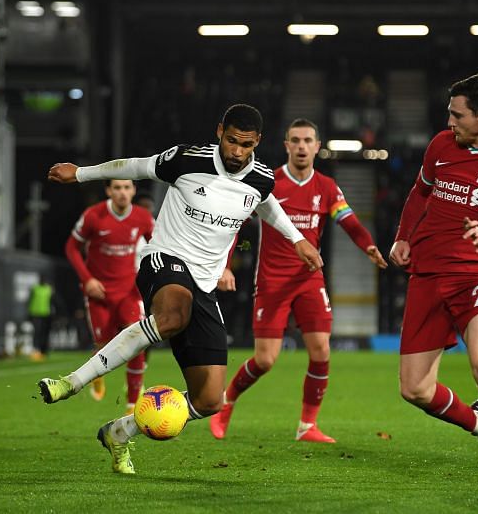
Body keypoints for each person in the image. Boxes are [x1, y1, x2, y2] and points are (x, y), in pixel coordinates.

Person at [38, 103, 323, 474]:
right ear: (219, 131)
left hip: (204, 285)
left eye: (247, 145)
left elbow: (266, 204)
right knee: (172, 315)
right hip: (164, 259)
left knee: (209, 400)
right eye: (232, 141)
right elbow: (136, 166)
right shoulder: (187, 159)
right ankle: (73, 382)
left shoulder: (262, 178)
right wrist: (80, 174)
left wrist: (297, 239)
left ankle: (120, 432)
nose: (237, 152)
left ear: (258, 143)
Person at [389, 74, 478, 495]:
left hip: (476, 276)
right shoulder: (441, 145)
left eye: (457, 114)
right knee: (415, 389)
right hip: (427, 276)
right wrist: (403, 236)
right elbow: (420, 193)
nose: (449, 121)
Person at [209, 118, 388, 443]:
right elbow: (234, 223)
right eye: (296, 140)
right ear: (287, 145)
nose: (302, 146)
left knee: (321, 351)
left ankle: (307, 426)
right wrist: (225, 265)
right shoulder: (269, 182)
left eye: (308, 140)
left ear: (317, 146)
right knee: (265, 360)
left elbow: (349, 222)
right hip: (272, 281)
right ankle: (227, 401)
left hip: (309, 279)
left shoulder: (327, 187)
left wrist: (368, 246)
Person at [65, 179, 154, 411]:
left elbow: (159, 245)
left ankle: (133, 402)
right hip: (99, 293)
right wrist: (88, 280)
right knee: (103, 344)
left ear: (133, 190)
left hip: (129, 292)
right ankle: (97, 374)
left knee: (137, 341)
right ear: (108, 191)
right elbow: (72, 248)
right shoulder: (94, 216)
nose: (122, 193)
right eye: (117, 188)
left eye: (127, 187)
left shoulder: (143, 217)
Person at [27, 275, 54, 361]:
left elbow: (52, 301)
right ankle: (36, 351)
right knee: (37, 332)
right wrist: (29, 312)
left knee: (44, 333)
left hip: (46, 314)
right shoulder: (35, 288)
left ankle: (44, 351)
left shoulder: (49, 289)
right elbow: (30, 300)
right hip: (36, 313)